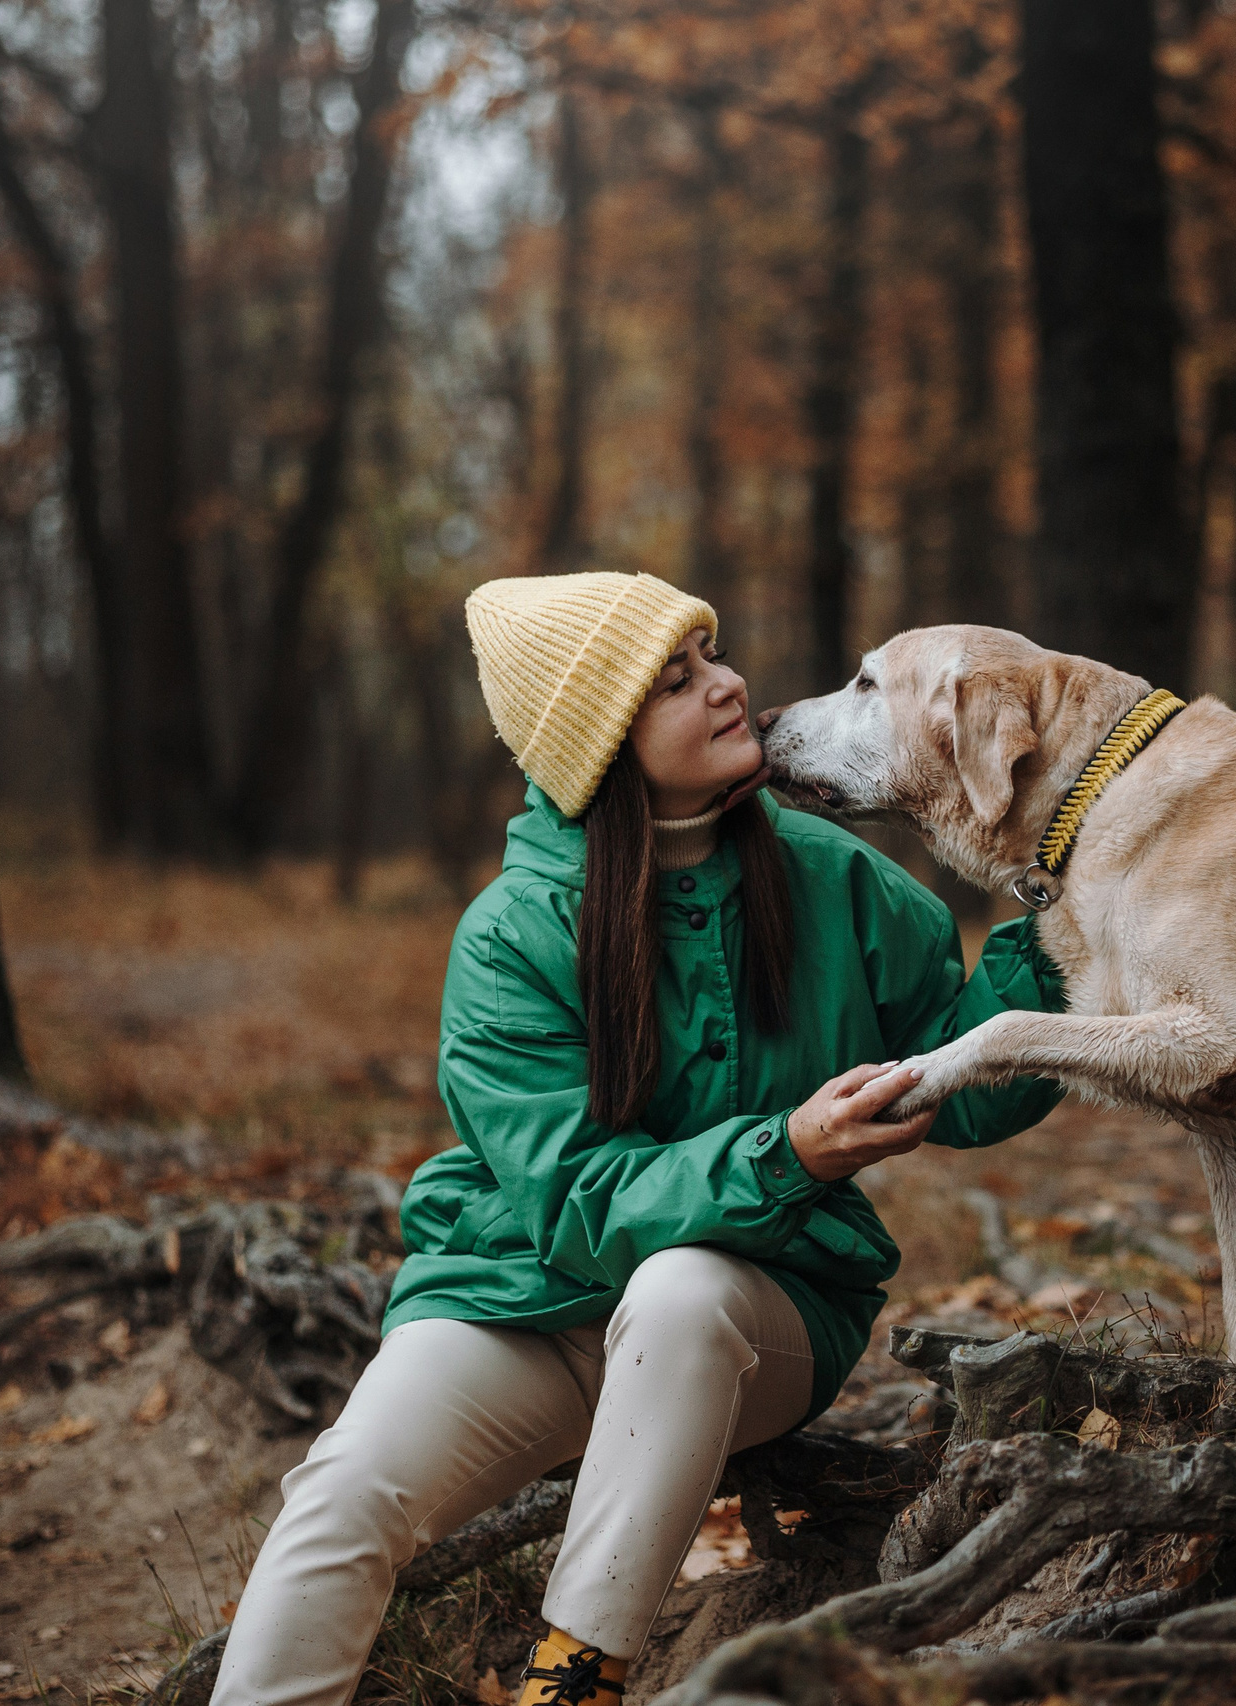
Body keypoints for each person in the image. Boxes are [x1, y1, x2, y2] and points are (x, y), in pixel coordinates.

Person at [211, 572, 1067, 1706]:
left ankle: (573, 1684)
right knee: (344, 1487)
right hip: (522, 1297)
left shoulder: (833, 877)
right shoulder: (512, 936)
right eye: (677, 679)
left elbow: (966, 1089)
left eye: (712, 655)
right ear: (603, 739)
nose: (729, 684)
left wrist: (1052, 895)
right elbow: (574, 1201)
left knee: (677, 1287)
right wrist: (785, 1150)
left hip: (754, 1315)